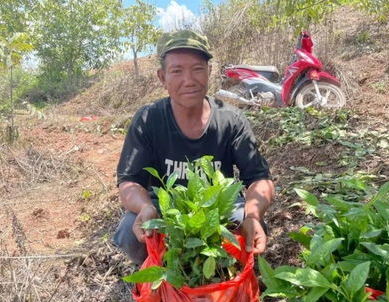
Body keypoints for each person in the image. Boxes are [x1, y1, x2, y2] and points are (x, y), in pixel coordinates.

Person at [114, 30, 275, 265]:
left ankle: (227, 276)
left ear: (209, 71)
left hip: (218, 207)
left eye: (197, 68)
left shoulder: (230, 119)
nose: (189, 80)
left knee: (250, 222)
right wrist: (144, 206)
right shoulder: (149, 119)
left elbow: (259, 178)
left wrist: (253, 213)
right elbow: (129, 181)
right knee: (130, 229)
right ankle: (163, 278)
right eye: (177, 71)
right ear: (162, 77)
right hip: (166, 207)